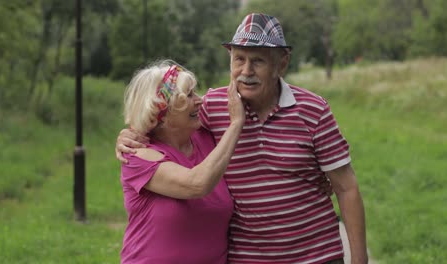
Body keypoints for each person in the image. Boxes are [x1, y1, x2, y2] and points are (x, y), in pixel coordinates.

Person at [116, 13, 368, 264]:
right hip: (248, 259)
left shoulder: (314, 110)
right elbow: (167, 118)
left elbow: (346, 187)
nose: (246, 71)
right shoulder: (212, 108)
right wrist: (130, 135)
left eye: (258, 61)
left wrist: (359, 259)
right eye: (239, 59)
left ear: (282, 63)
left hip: (317, 256)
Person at [119, 60, 245, 263]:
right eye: (188, 96)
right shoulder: (138, 155)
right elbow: (196, 184)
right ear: (162, 111)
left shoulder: (207, 139)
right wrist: (236, 123)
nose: (200, 100)